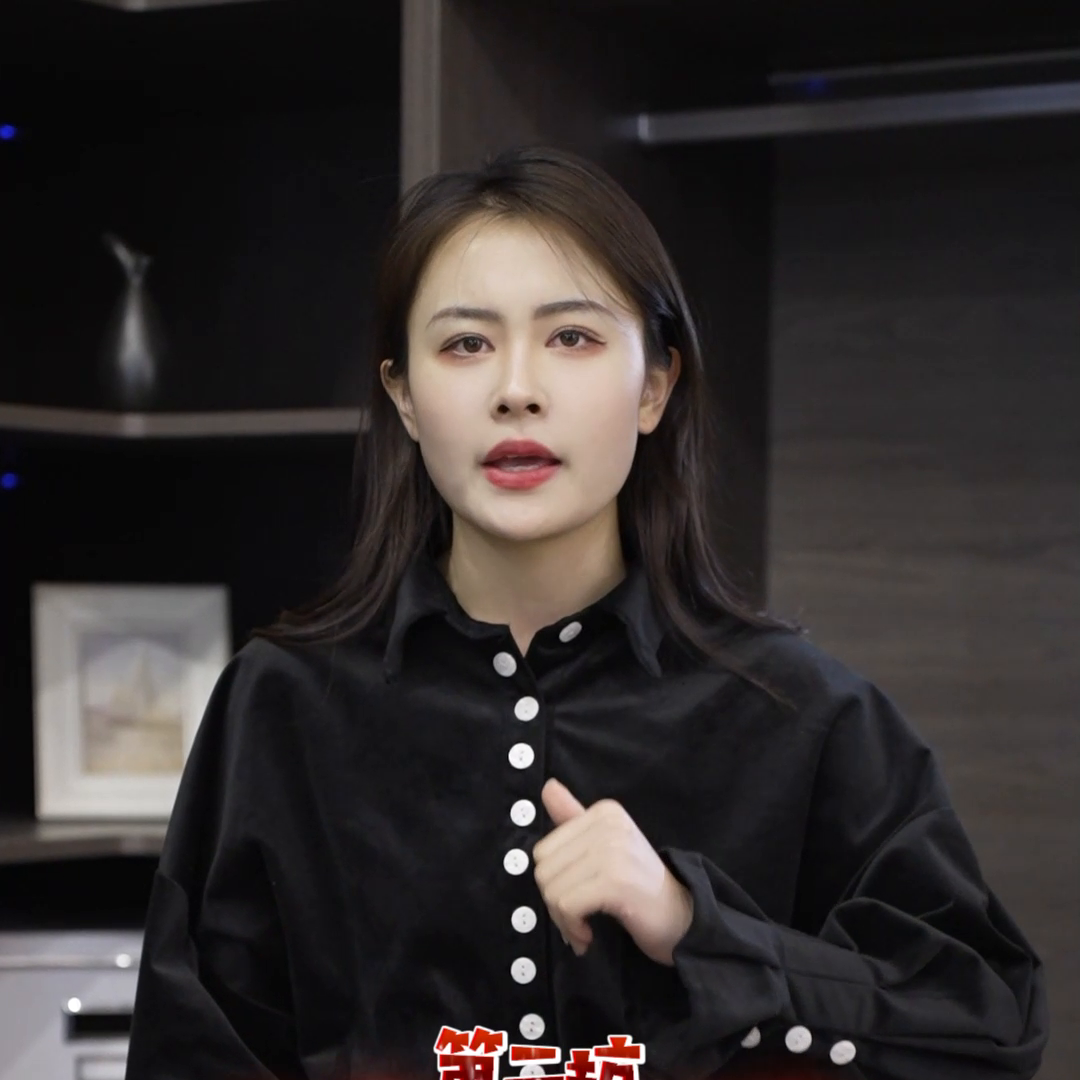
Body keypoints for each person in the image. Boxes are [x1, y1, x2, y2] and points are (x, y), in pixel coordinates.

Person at [124, 146, 1048, 1080]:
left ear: (654, 386)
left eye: (571, 337)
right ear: (402, 395)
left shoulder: (804, 713)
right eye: (466, 344)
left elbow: (986, 1032)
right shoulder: (281, 704)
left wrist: (699, 929)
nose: (516, 389)